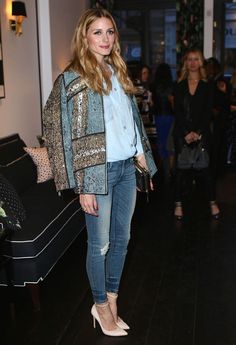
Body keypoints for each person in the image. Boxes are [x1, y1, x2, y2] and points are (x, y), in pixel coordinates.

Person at [42, 8, 157, 337]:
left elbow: (127, 120)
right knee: (100, 245)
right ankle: (100, 306)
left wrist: (139, 154)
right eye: (98, 32)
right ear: (84, 36)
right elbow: (59, 132)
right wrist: (82, 185)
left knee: (123, 241)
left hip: (125, 168)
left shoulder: (118, 71)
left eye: (110, 32)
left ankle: (111, 300)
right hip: (98, 173)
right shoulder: (72, 78)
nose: (105, 38)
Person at [173, 49, 220, 220]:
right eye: (189, 59)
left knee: (207, 171)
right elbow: (177, 112)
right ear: (185, 63)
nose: (192, 62)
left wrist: (198, 133)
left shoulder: (208, 86)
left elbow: (208, 112)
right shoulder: (178, 85)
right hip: (181, 134)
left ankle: (212, 202)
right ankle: (178, 204)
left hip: (202, 134)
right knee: (180, 170)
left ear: (200, 63)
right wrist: (186, 133)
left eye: (196, 59)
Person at [151, 63, 175, 180]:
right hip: (171, 116)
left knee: (161, 143)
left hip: (159, 116)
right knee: (170, 143)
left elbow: (152, 103)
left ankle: (165, 171)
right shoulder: (173, 85)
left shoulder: (154, 86)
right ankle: (171, 170)